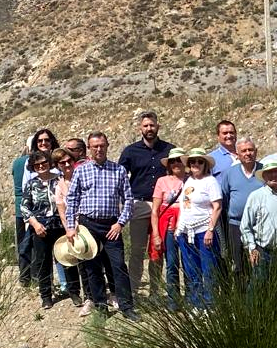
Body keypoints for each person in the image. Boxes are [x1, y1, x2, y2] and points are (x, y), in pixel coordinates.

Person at [65, 131, 136, 319]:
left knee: (119, 265)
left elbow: (128, 199)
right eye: (95, 146)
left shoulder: (119, 170)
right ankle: (101, 307)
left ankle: (127, 307)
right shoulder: (80, 170)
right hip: (88, 226)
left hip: (112, 226)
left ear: (107, 146)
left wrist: (120, 223)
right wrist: (71, 227)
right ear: (89, 148)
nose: (99, 149)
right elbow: (72, 200)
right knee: (92, 268)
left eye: (102, 145)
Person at [118, 111, 175, 294]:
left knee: (157, 250)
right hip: (140, 205)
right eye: (146, 126)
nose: (149, 128)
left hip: (163, 207)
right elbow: (120, 177)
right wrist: (124, 200)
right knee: (137, 249)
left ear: (158, 126)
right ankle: (133, 290)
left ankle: (155, 290)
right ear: (140, 128)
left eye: (152, 125)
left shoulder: (169, 150)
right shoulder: (130, 151)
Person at [22, 151, 80, 309]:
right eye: (37, 164)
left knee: (67, 258)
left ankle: (74, 291)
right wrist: (35, 224)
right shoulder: (31, 184)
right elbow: (25, 207)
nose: (41, 166)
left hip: (60, 224)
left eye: (44, 163)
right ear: (33, 167)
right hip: (40, 227)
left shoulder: (59, 181)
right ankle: (46, 296)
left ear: (49, 163)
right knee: (43, 262)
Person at [175, 148, 223, 308]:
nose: (196, 164)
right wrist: (178, 227)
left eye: (199, 161)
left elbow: (217, 207)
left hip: (203, 230)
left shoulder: (210, 182)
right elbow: (185, 206)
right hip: (187, 231)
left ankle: (210, 304)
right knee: (191, 269)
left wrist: (210, 229)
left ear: (205, 164)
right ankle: (197, 304)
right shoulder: (188, 181)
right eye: (193, 161)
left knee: (208, 269)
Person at [219, 136, 263, 276]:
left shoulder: (264, 172)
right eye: (244, 151)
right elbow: (225, 199)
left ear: (256, 152)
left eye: (251, 150)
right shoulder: (229, 173)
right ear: (237, 155)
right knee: (239, 265)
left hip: (259, 225)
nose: (248, 153)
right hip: (236, 225)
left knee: (260, 263)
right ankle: (241, 295)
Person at [150, 148, 188, 305]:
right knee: (172, 263)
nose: (176, 163)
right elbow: (155, 210)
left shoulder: (190, 180)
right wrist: (156, 234)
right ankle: (174, 299)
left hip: (186, 226)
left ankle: (192, 296)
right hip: (169, 227)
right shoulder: (162, 181)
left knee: (188, 263)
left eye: (179, 159)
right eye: (172, 161)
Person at [50, 147, 84, 309]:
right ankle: (74, 292)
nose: (67, 164)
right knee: (70, 260)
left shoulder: (83, 177)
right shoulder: (59, 186)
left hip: (86, 223)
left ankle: (91, 293)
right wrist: (69, 228)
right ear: (58, 166)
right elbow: (61, 211)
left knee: (87, 258)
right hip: (69, 226)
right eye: (62, 162)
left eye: (69, 160)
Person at [12, 136, 32, 286]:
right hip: (34, 207)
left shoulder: (17, 162)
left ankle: (24, 277)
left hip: (19, 206)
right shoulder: (37, 162)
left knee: (22, 243)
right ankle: (38, 277)